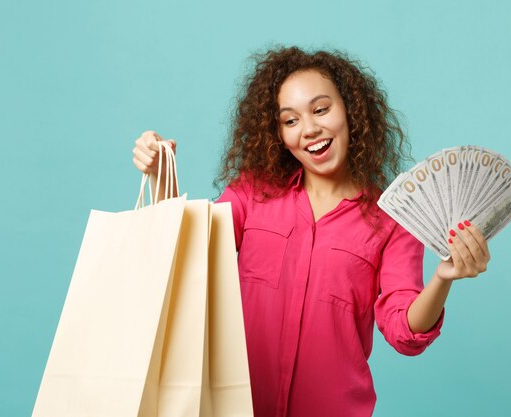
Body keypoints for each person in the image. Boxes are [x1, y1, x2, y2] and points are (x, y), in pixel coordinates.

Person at [132, 46, 490, 417]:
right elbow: (189, 257)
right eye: (290, 121)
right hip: (235, 408)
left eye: (321, 110)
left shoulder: (393, 221)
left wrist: (444, 277)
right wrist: (162, 177)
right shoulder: (252, 194)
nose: (309, 129)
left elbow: (404, 332)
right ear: (279, 135)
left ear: (351, 112)